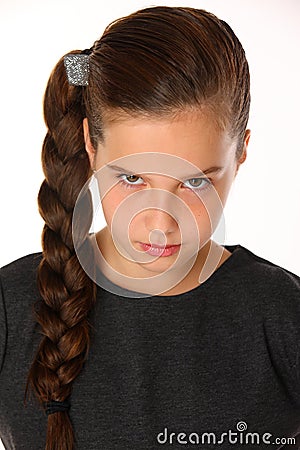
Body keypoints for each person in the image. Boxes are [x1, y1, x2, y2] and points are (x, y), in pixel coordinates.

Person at [0, 5, 299, 450]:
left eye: (196, 181)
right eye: (132, 178)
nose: (160, 223)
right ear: (89, 144)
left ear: (241, 154)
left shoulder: (282, 315)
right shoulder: (12, 306)